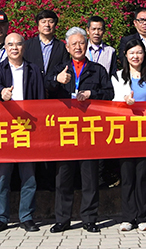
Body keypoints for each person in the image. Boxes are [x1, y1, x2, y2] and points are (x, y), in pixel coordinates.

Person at [47, 27, 114, 233]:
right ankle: (62, 219)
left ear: (87, 45)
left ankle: (89, 218)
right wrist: (56, 81)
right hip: (66, 131)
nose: (78, 47)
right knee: (63, 178)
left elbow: (109, 93)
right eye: (74, 43)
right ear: (67, 47)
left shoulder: (97, 69)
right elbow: (45, 88)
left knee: (90, 178)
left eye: (82, 43)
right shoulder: (59, 69)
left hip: (89, 131)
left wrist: (92, 93)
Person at [0, 33, 46, 233]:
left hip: (28, 128)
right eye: (10, 44)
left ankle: (27, 216)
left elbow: (40, 97)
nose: (14, 48)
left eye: (18, 44)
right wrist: (1, 92)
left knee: (28, 175)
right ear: (5, 47)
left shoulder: (34, 70)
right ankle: (1, 217)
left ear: (24, 47)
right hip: (5, 128)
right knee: (2, 175)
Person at [111, 38, 146, 231]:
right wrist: (124, 102)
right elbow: (113, 105)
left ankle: (143, 218)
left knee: (142, 176)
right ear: (126, 55)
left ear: (145, 56)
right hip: (126, 132)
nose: (135, 56)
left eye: (139, 52)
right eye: (132, 53)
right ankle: (127, 217)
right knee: (127, 175)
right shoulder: (117, 77)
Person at [24, 9, 69, 75]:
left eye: (51, 22)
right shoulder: (27, 45)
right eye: (43, 22)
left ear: (55, 25)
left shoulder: (61, 47)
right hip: (33, 84)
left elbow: (64, 67)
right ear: (38, 25)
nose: (47, 25)